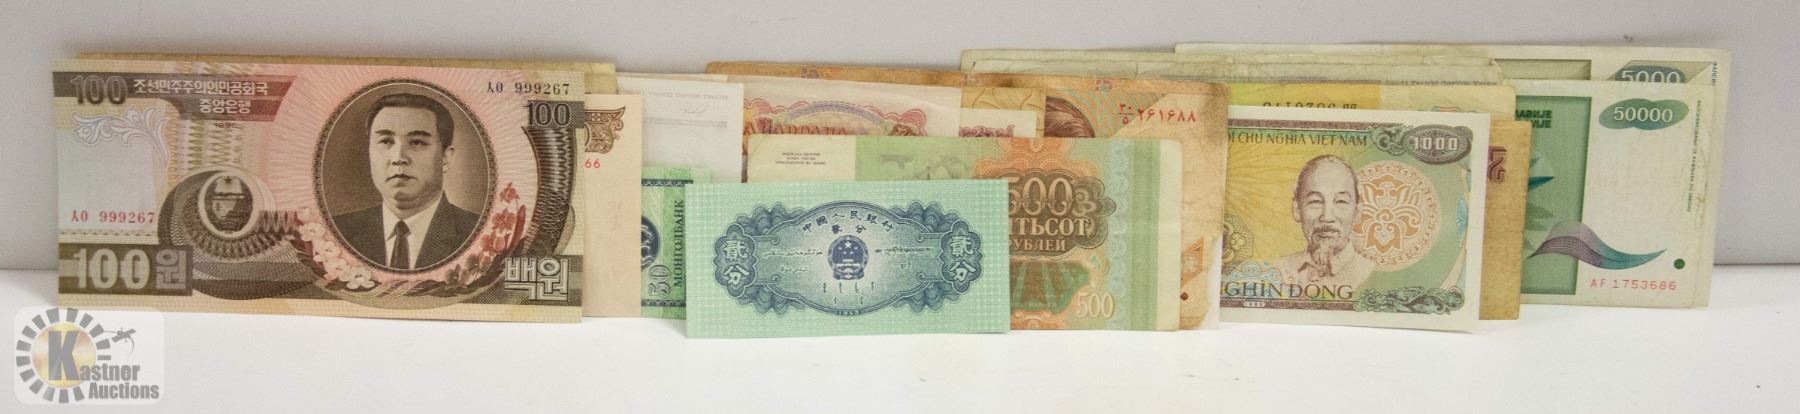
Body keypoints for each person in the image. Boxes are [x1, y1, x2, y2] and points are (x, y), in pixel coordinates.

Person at [332, 93, 480, 270]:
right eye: (386, 141)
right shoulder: (336, 232)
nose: (398, 158)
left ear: (445, 158)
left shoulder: (477, 234)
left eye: (416, 142)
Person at [1274, 155, 1375, 288]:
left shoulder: (1373, 274)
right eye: (1315, 201)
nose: (1327, 217)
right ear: (1297, 209)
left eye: (1341, 201)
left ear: (1357, 212)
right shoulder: (1276, 271)